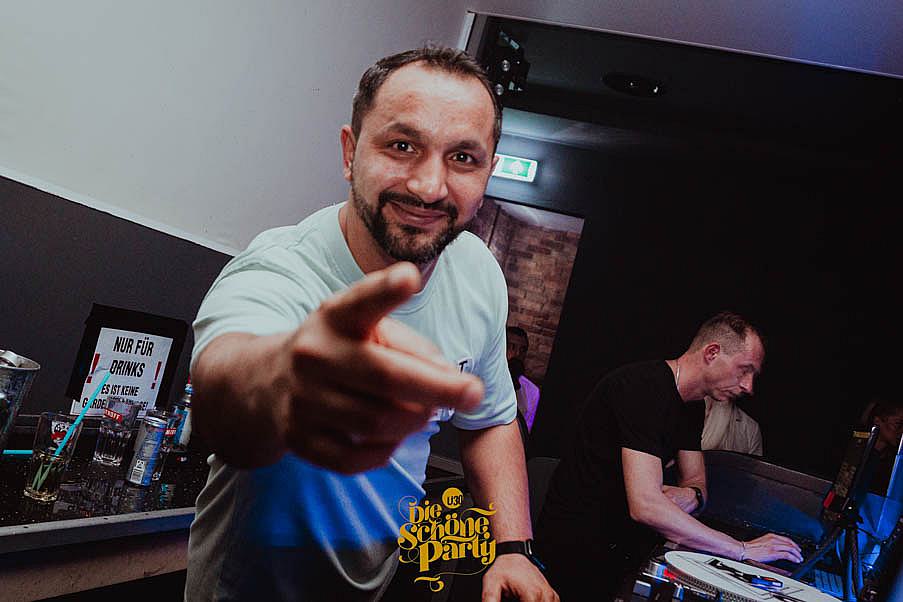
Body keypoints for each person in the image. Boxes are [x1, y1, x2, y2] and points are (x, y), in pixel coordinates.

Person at [185, 47, 557, 602]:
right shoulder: (281, 268)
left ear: (487, 173)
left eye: (462, 158)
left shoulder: (477, 273)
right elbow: (225, 391)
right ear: (350, 152)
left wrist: (513, 549)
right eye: (402, 146)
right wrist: (286, 377)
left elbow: (491, 422)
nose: (430, 186)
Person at [536, 311, 802, 600]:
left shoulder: (692, 405)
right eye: (744, 370)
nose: (748, 386)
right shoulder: (642, 388)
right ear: (712, 353)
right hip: (575, 549)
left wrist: (693, 495)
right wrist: (742, 549)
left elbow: (697, 482)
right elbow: (646, 506)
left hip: (619, 545)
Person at [864, 395, 903, 495]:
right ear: (877, 421)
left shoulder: (894, 463)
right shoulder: (858, 456)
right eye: (898, 424)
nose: (901, 431)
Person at [507, 326, 540, 432]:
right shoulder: (483, 379)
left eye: (522, 350)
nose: (517, 354)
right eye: (511, 347)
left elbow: (526, 431)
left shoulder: (532, 391)